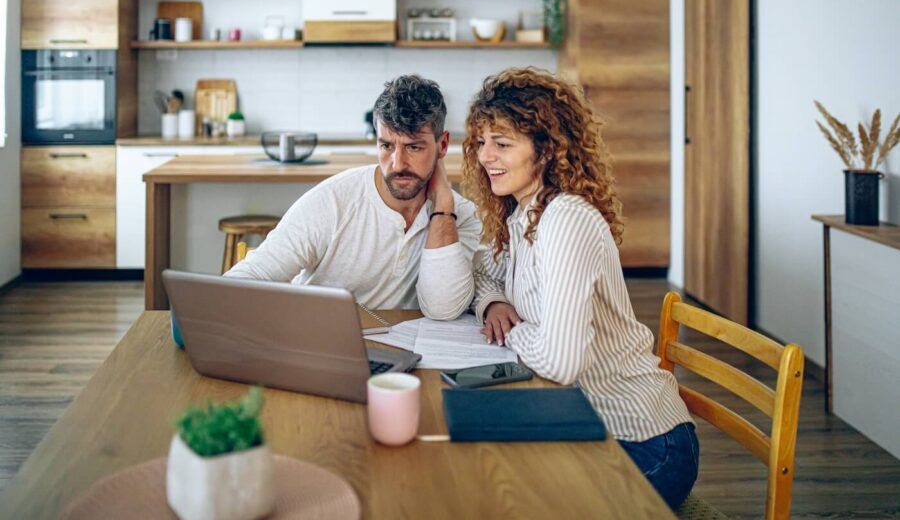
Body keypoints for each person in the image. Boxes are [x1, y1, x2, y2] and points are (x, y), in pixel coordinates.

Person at [463, 67, 697, 510]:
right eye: (481, 142)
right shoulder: (524, 212)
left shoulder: (566, 219)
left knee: (506, 500)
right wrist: (495, 302)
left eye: (502, 143)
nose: (484, 156)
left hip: (644, 443)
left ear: (547, 151)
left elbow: (560, 360)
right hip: (581, 420)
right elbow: (485, 272)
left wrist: (513, 330)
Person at [226, 75, 480, 320]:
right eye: (386, 146)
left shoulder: (461, 216)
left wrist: (443, 206)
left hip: (405, 357)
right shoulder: (333, 200)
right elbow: (254, 274)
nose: (398, 163)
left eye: (414, 147)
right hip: (320, 342)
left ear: (443, 145)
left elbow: (442, 309)